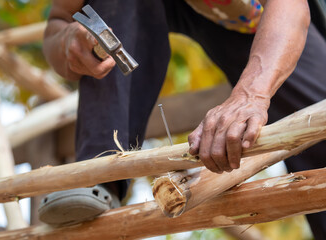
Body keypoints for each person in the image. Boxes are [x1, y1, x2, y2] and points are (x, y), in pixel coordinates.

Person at [40, 0, 326, 238]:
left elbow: (290, 5)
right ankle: (98, 175)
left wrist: (250, 95)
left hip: (249, 15)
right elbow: (59, 20)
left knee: (316, 128)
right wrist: (66, 43)